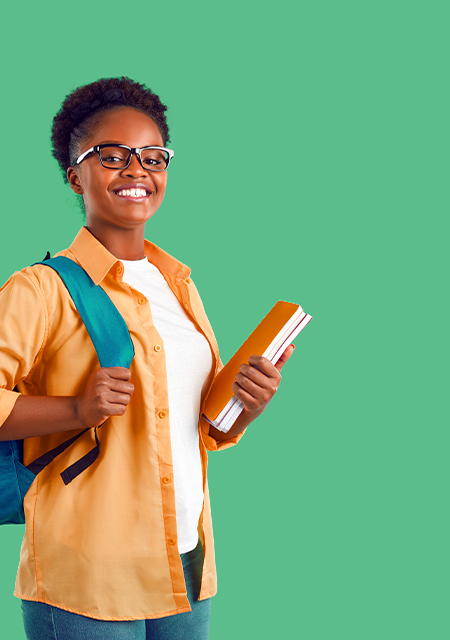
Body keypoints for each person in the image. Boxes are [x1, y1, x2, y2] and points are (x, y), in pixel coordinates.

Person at [0, 77, 294, 640]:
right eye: (112, 156)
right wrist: (75, 410)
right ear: (74, 175)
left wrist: (243, 407)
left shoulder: (179, 285)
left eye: (153, 156)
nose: (137, 170)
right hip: (88, 577)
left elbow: (189, 429)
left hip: (184, 562)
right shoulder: (41, 288)